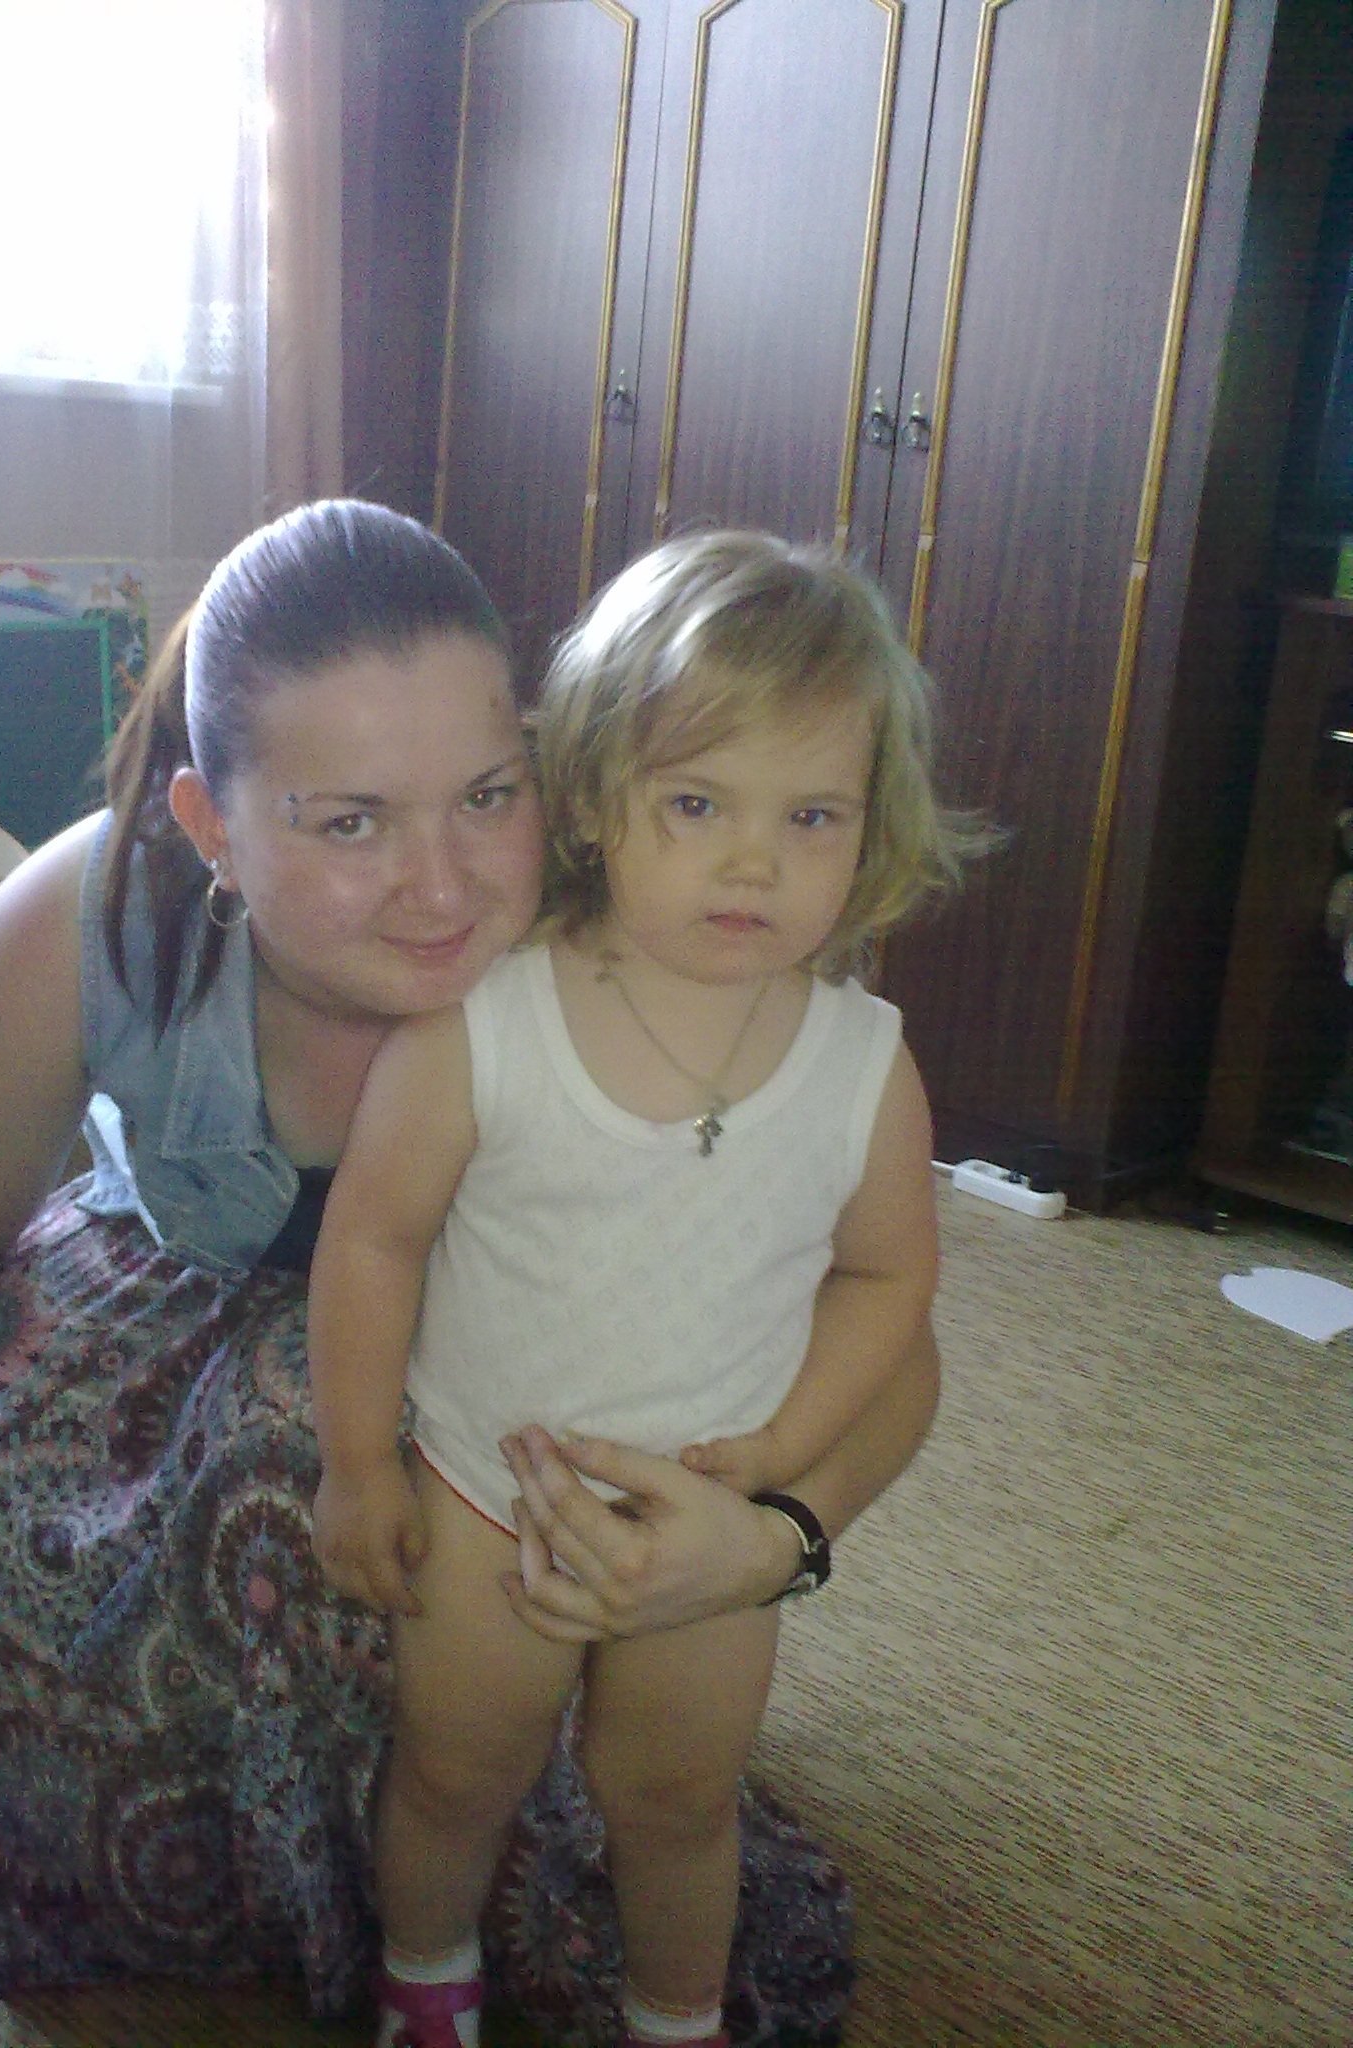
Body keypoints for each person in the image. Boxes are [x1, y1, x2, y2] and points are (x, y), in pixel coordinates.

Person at [0, 499, 942, 2042]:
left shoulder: (679, 932)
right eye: (347, 822)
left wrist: (768, 1543)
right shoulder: (86, 927)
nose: (440, 889)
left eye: (486, 795)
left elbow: (880, 1323)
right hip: (183, 1312)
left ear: (552, 772)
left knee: (553, 1669)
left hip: (517, 1395)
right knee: (120, 1479)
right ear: (213, 827)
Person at [308, 530, 975, 2048]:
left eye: (812, 816)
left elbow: (890, 1278)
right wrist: (358, 1463)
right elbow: (374, 1241)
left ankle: (676, 2017)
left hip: (707, 1522)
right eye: (698, 803)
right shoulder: (490, 1019)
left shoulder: (865, 1064)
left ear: (870, 828)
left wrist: (781, 1459)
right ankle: (427, 1982)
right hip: (487, 1497)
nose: (755, 861)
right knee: (456, 1773)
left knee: (679, 1800)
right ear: (600, 795)